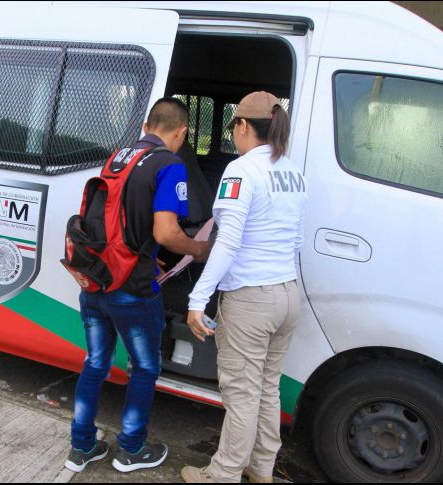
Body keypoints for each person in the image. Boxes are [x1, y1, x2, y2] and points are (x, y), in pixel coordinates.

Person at [65, 97, 211, 474]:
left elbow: (118, 218)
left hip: (96, 279)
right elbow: (166, 230)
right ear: (180, 133)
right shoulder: (169, 163)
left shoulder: (118, 156)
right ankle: (131, 449)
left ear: (147, 126)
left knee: (95, 361)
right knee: (144, 367)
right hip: (132, 288)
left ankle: (81, 447)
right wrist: (197, 249)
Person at [180, 92, 307, 483]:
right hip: (287, 293)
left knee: (242, 396)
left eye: (233, 125)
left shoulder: (240, 170)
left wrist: (197, 299)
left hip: (251, 300)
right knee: (267, 388)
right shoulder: (292, 171)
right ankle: (261, 469)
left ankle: (222, 475)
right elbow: (297, 239)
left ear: (243, 126)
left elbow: (228, 242)